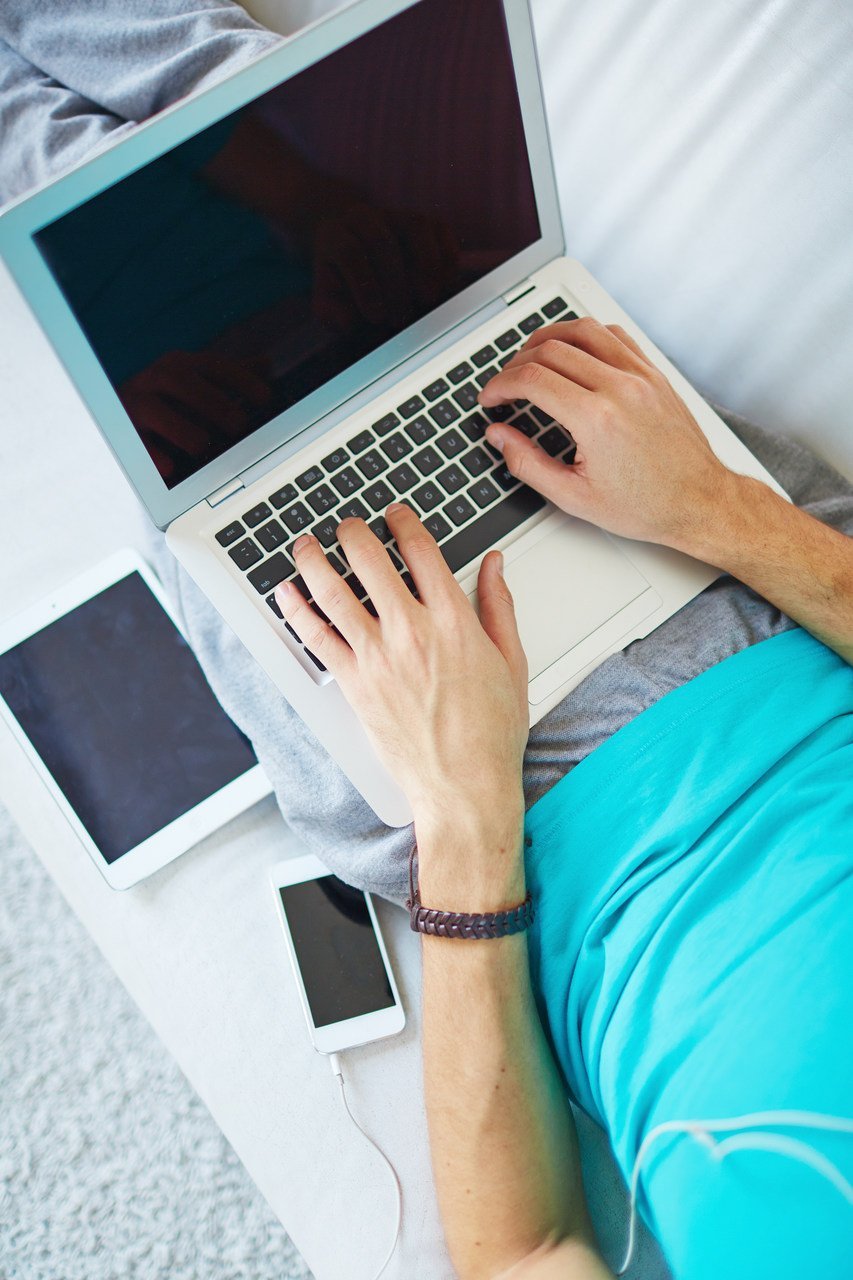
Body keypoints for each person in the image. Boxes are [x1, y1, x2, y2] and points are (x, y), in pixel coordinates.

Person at [2, 4, 852, 1277]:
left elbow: (523, 1251)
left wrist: (460, 813)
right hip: (761, 594)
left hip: (505, 795)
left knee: (167, 339)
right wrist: (711, 505)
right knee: (390, 247)